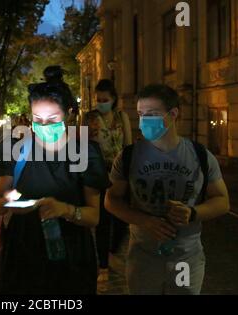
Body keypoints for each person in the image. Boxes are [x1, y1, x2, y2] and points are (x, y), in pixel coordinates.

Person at [105, 84, 230, 294]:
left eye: (152, 114)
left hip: (185, 258)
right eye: (141, 114)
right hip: (144, 257)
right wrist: (144, 220)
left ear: (173, 114)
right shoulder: (128, 157)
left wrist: (192, 213)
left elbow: (222, 201)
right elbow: (111, 200)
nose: (144, 120)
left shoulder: (200, 155)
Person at [0, 82, 108, 294]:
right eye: (37, 120)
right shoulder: (15, 150)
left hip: (71, 255)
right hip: (23, 253)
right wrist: (6, 201)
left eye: (52, 119)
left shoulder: (86, 154)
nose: (44, 126)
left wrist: (66, 210)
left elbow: (94, 216)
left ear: (69, 114)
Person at [91, 79, 132, 292]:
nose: (101, 103)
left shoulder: (121, 116)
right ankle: (104, 266)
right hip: (98, 175)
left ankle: (112, 251)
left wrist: (130, 170)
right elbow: (82, 146)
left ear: (113, 99)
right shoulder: (90, 119)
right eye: (98, 99)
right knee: (103, 221)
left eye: (105, 100)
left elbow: (128, 145)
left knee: (122, 220)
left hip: (119, 175)